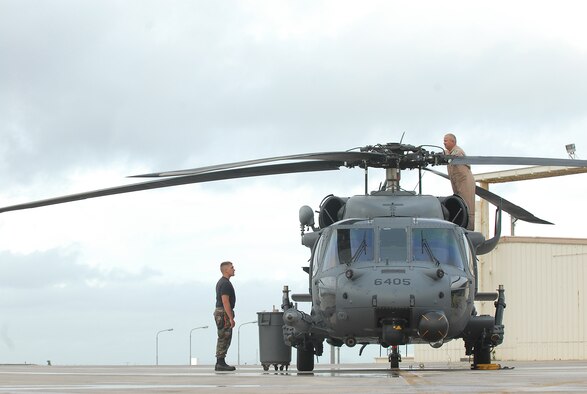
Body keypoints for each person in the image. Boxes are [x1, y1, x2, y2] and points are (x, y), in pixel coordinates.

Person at [443, 133, 476, 230]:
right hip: (457, 184)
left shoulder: (457, 151)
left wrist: (447, 156)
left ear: (452, 142)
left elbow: (456, 155)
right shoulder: (448, 153)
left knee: (467, 208)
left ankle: (469, 230)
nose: (444, 142)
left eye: (446, 140)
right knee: (460, 205)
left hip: (465, 183)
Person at [213, 261, 237, 371]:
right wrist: (230, 318)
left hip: (221, 312)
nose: (234, 269)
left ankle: (220, 362)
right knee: (224, 336)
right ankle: (220, 363)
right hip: (223, 312)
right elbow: (225, 301)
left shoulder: (222, 282)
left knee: (224, 336)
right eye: (232, 268)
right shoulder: (225, 283)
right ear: (226, 270)